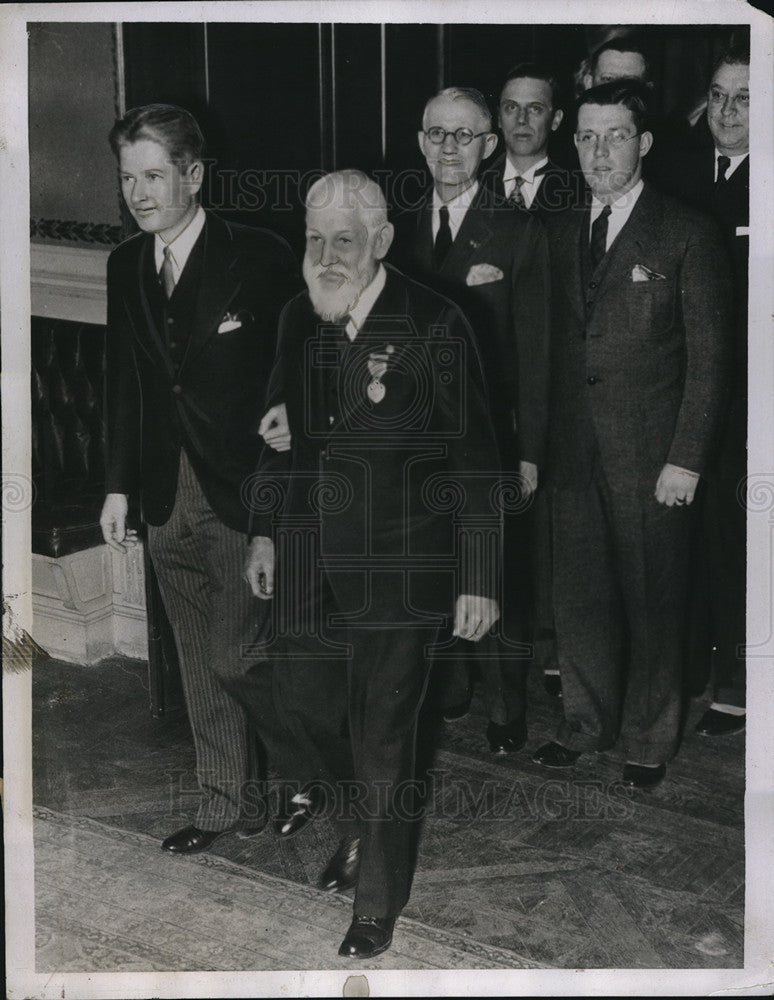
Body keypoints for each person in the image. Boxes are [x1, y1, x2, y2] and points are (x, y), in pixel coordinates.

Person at [244, 170, 502, 958]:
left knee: (385, 732)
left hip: (403, 565)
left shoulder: (435, 322)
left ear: (382, 242)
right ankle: (358, 816)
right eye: (314, 240)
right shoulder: (299, 316)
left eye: (344, 240)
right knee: (299, 698)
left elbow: (476, 458)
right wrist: (264, 533)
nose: (326, 256)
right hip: (309, 555)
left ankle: (376, 903)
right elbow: (280, 435)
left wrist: (479, 576)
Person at [100, 104, 298, 853]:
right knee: (196, 654)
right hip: (163, 494)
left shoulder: (259, 255)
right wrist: (118, 487)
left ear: (194, 174)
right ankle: (227, 803)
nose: (138, 194)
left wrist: (279, 496)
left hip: (242, 491)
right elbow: (124, 381)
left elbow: (296, 374)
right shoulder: (126, 265)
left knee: (235, 655)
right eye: (128, 179)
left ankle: (312, 770)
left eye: (154, 176)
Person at [532, 80, 731, 788]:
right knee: (579, 598)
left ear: (643, 142)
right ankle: (586, 723)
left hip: (651, 456)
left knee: (653, 600)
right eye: (587, 137)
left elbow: (711, 361)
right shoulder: (556, 229)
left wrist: (686, 459)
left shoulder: (686, 232)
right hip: (571, 453)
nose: (599, 152)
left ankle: (648, 737)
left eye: (615, 136)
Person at [393, 86, 551, 752]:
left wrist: (531, 451)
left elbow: (537, 354)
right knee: (434, 561)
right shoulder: (392, 224)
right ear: (420, 141)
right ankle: (451, 686)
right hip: (412, 436)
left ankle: (507, 707)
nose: (449, 148)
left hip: (492, 438)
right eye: (438, 134)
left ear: (489, 146)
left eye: (465, 135)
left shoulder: (518, 229)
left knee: (495, 567)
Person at [664, 43, 749, 737]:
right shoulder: (681, 175)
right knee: (684, 530)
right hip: (683, 381)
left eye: (744, 98)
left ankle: (739, 680)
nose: (727, 110)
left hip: (752, 393)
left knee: (737, 534)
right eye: (718, 95)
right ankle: (688, 664)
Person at [481, 62, 576, 218]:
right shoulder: (474, 185)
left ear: (555, 120)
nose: (521, 119)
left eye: (535, 109)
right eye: (511, 107)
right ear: (498, 118)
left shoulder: (576, 193)